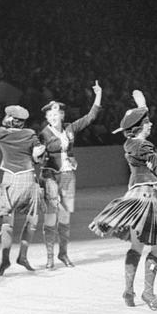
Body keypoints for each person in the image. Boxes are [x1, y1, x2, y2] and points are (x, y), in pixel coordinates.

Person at [90, 90, 157, 310]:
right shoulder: (144, 146)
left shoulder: (130, 144)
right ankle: (148, 292)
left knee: (136, 246)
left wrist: (143, 105)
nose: (151, 125)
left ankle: (128, 289)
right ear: (139, 127)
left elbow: (139, 117)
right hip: (145, 200)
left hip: (133, 196)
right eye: (147, 123)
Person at [0, 82, 46, 276]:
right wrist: (40, 153)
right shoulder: (31, 134)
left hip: (9, 180)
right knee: (32, 221)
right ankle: (23, 256)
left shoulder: (1, 134)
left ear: (11, 120)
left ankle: (4, 261)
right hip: (27, 180)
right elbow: (37, 157)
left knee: (7, 223)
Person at [38, 81, 102, 269]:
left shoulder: (69, 128)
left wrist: (98, 95)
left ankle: (63, 254)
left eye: (57, 113)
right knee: (51, 216)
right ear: (48, 118)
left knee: (65, 216)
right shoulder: (43, 134)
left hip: (67, 175)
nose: (54, 116)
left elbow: (90, 117)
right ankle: (49, 256)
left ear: (62, 115)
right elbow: (36, 155)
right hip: (50, 176)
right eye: (51, 114)